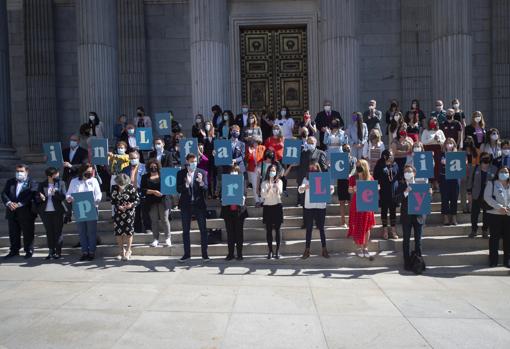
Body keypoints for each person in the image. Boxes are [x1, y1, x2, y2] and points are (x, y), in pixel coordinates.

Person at [176, 153, 209, 262]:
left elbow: (206, 188)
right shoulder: (181, 173)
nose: (193, 163)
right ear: (187, 162)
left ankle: (205, 254)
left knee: (203, 230)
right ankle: (187, 254)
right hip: (186, 205)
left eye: (195, 161)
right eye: (191, 161)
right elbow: (178, 189)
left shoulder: (202, 172)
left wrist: (201, 183)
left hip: (199, 204)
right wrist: (186, 185)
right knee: (186, 230)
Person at [66, 163, 102, 261]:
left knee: (91, 231)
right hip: (79, 208)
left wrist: (97, 200)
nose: (90, 173)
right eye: (88, 172)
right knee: (82, 231)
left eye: (91, 172)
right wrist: (69, 198)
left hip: (91, 207)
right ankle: (84, 252)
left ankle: (92, 252)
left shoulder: (94, 181)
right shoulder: (74, 181)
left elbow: (98, 194)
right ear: (82, 171)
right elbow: (68, 193)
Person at [299, 162, 335, 259]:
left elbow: (331, 189)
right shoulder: (306, 179)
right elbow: (300, 189)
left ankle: (324, 249)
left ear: (318, 168)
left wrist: (330, 190)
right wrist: (304, 187)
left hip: (320, 206)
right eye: (310, 168)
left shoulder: (323, 178)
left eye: (314, 168)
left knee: (321, 228)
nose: (312, 169)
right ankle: (307, 250)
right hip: (309, 207)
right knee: (309, 229)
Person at [2, 164, 38, 259]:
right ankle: (14, 250)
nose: (19, 173)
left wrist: (20, 204)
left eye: (21, 171)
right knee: (13, 232)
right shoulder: (10, 182)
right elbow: (4, 193)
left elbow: (31, 194)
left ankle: (29, 250)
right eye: (17, 171)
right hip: (12, 211)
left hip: (26, 212)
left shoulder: (32, 182)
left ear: (27, 172)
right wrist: (9, 203)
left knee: (28, 232)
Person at [396, 165, 428, 271]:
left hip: (418, 216)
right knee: (406, 240)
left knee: (418, 240)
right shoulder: (401, 185)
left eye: (409, 171)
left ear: (414, 173)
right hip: (407, 216)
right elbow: (396, 199)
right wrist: (406, 192)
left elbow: (427, 199)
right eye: (405, 172)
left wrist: (430, 194)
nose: (407, 173)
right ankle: (407, 262)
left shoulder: (421, 183)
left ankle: (418, 262)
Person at [35, 167, 67, 260]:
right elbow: (37, 198)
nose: (58, 175)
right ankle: (51, 251)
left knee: (58, 231)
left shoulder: (61, 183)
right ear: (51, 176)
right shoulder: (42, 184)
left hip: (57, 211)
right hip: (45, 211)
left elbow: (63, 197)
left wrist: (56, 192)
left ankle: (58, 252)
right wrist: (40, 197)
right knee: (49, 232)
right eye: (56, 174)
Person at [348, 159, 376, 258]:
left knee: (367, 226)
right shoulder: (353, 178)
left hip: (367, 204)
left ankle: (365, 247)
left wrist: (377, 188)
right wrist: (354, 189)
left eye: (360, 165)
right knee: (357, 225)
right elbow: (350, 190)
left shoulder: (370, 178)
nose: (358, 167)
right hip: (356, 203)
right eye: (357, 165)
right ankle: (359, 247)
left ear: (365, 167)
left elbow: (373, 190)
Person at [141, 159, 171, 248]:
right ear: (148, 167)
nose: (153, 167)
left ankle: (167, 238)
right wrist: (153, 192)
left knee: (165, 219)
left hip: (163, 200)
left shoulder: (163, 175)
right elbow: (143, 190)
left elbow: (169, 186)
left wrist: (163, 192)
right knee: (154, 221)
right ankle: (155, 239)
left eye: (155, 166)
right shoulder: (145, 177)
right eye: (151, 166)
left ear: (158, 166)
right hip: (151, 201)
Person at [484, 166, 510, 268]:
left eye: (506, 172)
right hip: (495, 214)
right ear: (497, 173)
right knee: (494, 238)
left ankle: (507, 260)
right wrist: (499, 208)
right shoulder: (492, 183)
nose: (504, 173)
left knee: (508, 238)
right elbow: (487, 197)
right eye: (502, 171)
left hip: (508, 215)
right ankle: (493, 260)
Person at [220, 165, 248, 261]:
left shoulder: (242, 181)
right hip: (228, 211)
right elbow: (222, 194)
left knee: (239, 233)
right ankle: (230, 254)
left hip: (239, 212)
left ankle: (239, 254)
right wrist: (222, 199)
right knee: (230, 233)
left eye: (235, 171)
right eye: (232, 171)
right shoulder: (226, 182)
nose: (233, 173)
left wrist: (243, 197)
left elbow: (244, 193)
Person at [467, 152, 497, 239]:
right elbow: (470, 181)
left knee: (486, 214)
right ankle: (474, 230)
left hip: (488, 195)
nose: (485, 161)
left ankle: (485, 230)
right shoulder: (475, 168)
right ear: (480, 160)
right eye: (483, 159)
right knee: (474, 214)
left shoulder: (494, 169)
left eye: (487, 159)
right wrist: (469, 193)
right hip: (477, 195)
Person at [111, 173, 140, 261]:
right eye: (120, 183)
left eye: (123, 184)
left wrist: (131, 205)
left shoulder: (131, 187)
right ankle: (121, 251)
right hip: (118, 213)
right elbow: (113, 201)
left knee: (128, 231)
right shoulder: (114, 188)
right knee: (118, 232)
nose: (121, 185)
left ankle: (128, 250)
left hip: (129, 213)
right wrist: (118, 206)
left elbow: (137, 200)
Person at [373, 150, 399, 240]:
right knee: (384, 210)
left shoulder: (395, 164)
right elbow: (375, 176)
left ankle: (393, 230)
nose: (392, 156)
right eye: (390, 155)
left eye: (392, 155)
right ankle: (385, 230)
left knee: (393, 210)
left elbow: (398, 176)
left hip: (393, 191)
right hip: (384, 191)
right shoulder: (380, 165)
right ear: (385, 156)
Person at [295, 136, 328, 208]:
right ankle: (300, 202)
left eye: (312, 143)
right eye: (308, 142)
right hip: (304, 177)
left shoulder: (320, 153)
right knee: (304, 203)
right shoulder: (302, 152)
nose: (310, 144)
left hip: (316, 180)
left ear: (316, 143)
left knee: (316, 205)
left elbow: (323, 167)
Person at [260, 164, 283, 259]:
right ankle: (270, 251)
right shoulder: (264, 183)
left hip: (277, 206)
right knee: (268, 230)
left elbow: (280, 192)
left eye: (274, 170)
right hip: (268, 207)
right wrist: (269, 187)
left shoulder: (279, 181)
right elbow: (263, 195)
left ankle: (277, 251)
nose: (272, 172)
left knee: (277, 229)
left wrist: (276, 185)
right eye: (270, 170)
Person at [122, 151, 147, 234]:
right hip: (131, 193)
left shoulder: (144, 167)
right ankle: (137, 229)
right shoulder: (125, 169)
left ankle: (148, 228)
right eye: (131, 158)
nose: (133, 159)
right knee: (135, 212)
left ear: (138, 158)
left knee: (144, 211)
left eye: (135, 158)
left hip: (142, 191)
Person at [439, 138, 460, 225]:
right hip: (444, 179)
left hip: (455, 179)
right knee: (445, 198)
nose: (449, 144)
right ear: (445, 145)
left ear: (454, 145)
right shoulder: (442, 154)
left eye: (451, 143)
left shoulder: (458, 154)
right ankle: (445, 217)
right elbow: (442, 161)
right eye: (448, 143)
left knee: (454, 198)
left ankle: (454, 217)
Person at [421, 117, 445, 190]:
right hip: (428, 150)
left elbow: (444, 141)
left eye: (434, 121)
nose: (433, 122)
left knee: (438, 166)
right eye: (431, 120)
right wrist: (432, 139)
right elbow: (423, 141)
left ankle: (436, 182)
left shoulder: (440, 131)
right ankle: (430, 182)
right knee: (430, 166)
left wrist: (438, 140)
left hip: (438, 150)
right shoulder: (425, 131)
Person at [337, 144, 356, 227]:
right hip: (341, 181)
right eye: (344, 148)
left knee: (350, 202)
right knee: (341, 202)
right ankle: (342, 221)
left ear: (350, 149)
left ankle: (351, 221)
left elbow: (354, 168)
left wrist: (350, 175)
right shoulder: (338, 158)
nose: (346, 149)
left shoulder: (353, 159)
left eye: (348, 148)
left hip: (350, 181)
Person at [245, 137, 266, 207]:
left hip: (262, 169)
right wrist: (250, 153)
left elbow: (265, 157)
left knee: (262, 185)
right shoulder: (249, 148)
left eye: (256, 142)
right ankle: (257, 201)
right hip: (252, 170)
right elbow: (247, 159)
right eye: (253, 142)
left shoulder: (262, 147)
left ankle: (262, 200)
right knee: (254, 186)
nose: (255, 143)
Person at [203, 121, 217, 198]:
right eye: (206, 125)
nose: (208, 127)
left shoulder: (215, 137)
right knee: (207, 175)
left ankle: (215, 192)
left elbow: (218, 147)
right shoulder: (204, 137)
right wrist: (204, 137)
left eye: (209, 125)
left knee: (214, 176)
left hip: (214, 159)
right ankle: (209, 192)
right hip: (206, 159)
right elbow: (202, 148)